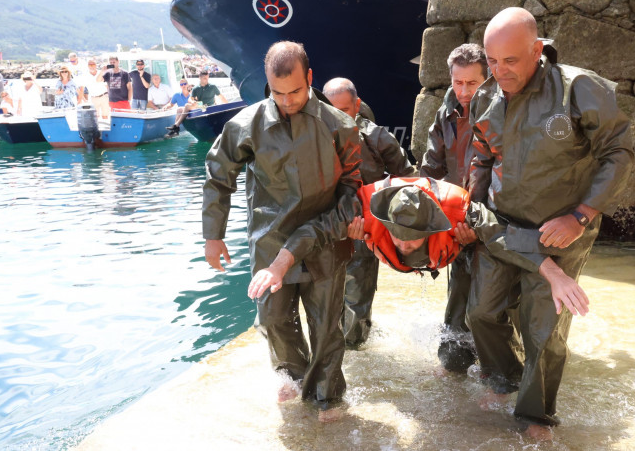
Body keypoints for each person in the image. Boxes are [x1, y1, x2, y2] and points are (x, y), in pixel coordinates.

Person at [466, 7, 634, 440]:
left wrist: (582, 215)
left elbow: (619, 152)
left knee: (543, 329)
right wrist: (471, 208)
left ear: (537, 50)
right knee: (481, 312)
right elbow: (484, 158)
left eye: (511, 61)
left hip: (561, 229)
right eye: (492, 61)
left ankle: (536, 416)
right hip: (502, 227)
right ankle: (503, 381)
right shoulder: (487, 97)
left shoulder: (577, 88)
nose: (500, 72)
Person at [202, 41, 362, 423]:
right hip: (270, 238)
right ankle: (294, 374)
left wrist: (348, 220)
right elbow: (217, 176)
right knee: (273, 319)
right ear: (267, 85)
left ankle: (327, 397)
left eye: (295, 92)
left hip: (325, 238)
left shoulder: (339, 125)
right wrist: (213, 234)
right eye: (278, 93)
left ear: (309, 78)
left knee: (326, 324)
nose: (287, 101)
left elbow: (353, 187)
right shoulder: (245, 124)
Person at [346, 178, 586, 317]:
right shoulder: (363, 211)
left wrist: (555, 275)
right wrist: (350, 236)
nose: (403, 243)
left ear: (431, 227)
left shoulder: (459, 212)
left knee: (470, 315)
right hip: (376, 226)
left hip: (456, 242)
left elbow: (502, 236)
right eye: (397, 236)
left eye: (411, 238)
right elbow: (320, 225)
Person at [322, 77, 417, 347]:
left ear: (357, 105)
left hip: (364, 229)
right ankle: (330, 345)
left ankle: (356, 346)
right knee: (326, 294)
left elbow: (408, 178)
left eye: (346, 110)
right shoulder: (312, 137)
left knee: (358, 294)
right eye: (332, 110)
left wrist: (398, 226)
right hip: (325, 227)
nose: (339, 117)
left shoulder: (376, 136)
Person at [420, 43, 489, 374]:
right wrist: (422, 227)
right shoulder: (443, 114)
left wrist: (482, 221)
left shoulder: (499, 112)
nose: (464, 91)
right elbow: (430, 169)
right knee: (457, 293)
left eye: (472, 83)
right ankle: (453, 363)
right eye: (458, 82)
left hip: (491, 219)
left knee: (491, 302)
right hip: (455, 219)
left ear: (486, 79)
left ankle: (497, 371)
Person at [167, 70, 227, 136]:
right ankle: (175, 131)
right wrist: (192, 102)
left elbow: (221, 97)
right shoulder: (196, 88)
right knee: (179, 109)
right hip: (200, 106)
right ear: (200, 78)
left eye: (207, 78)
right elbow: (190, 99)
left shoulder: (213, 86)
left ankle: (176, 126)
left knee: (187, 105)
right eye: (204, 78)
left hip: (209, 107)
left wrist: (227, 105)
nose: (206, 80)